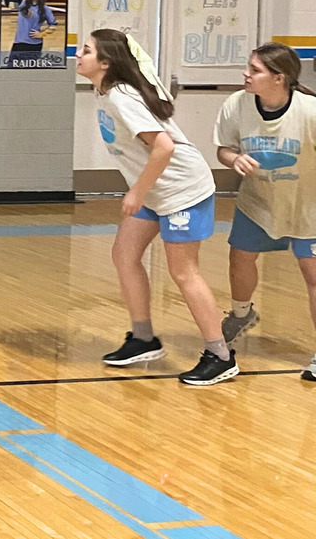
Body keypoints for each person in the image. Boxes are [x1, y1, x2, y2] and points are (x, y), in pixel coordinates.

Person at [77, 28, 237, 386]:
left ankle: (221, 355)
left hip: (182, 189)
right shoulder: (104, 90)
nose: (78, 55)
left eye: (86, 50)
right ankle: (143, 338)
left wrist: (137, 191)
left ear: (105, 62)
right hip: (157, 190)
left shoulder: (121, 97)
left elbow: (164, 147)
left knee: (184, 273)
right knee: (124, 255)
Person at [214, 43, 316, 381]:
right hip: (257, 200)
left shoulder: (310, 111)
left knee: (312, 275)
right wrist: (234, 158)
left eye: (255, 70)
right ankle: (241, 313)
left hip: (306, 204)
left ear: (279, 78)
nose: (246, 74)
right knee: (240, 257)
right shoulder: (237, 104)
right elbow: (223, 149)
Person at [8, 0, 57, 65]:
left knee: (29, 71)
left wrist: (42, 34)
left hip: (34, 45)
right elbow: (10, 4)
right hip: (19, 43)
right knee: (11, 69)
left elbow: (53, 25)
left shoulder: (45, 9)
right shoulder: (22, 3)